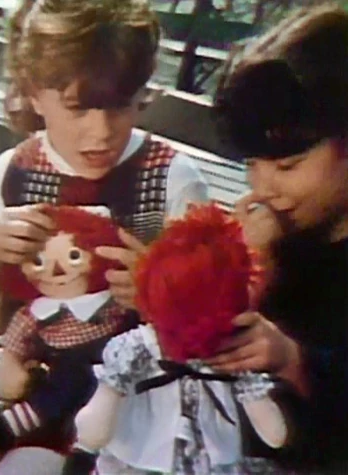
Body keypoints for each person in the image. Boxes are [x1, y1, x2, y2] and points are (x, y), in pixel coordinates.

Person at [0, 0, 209, 473]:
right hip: (21, 379)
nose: (101, 131)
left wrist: (158, 296)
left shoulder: (173, 181)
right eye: (77, 107)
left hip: (124, 405)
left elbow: (203, 337)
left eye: (121, 105)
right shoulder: (13, 173)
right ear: (35, 94)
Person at [210, 3, 348, 473]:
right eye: (252, 164)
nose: (263, 187)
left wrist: (295, 361)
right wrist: (241, 267)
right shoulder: (279, 234)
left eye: (287, 166)